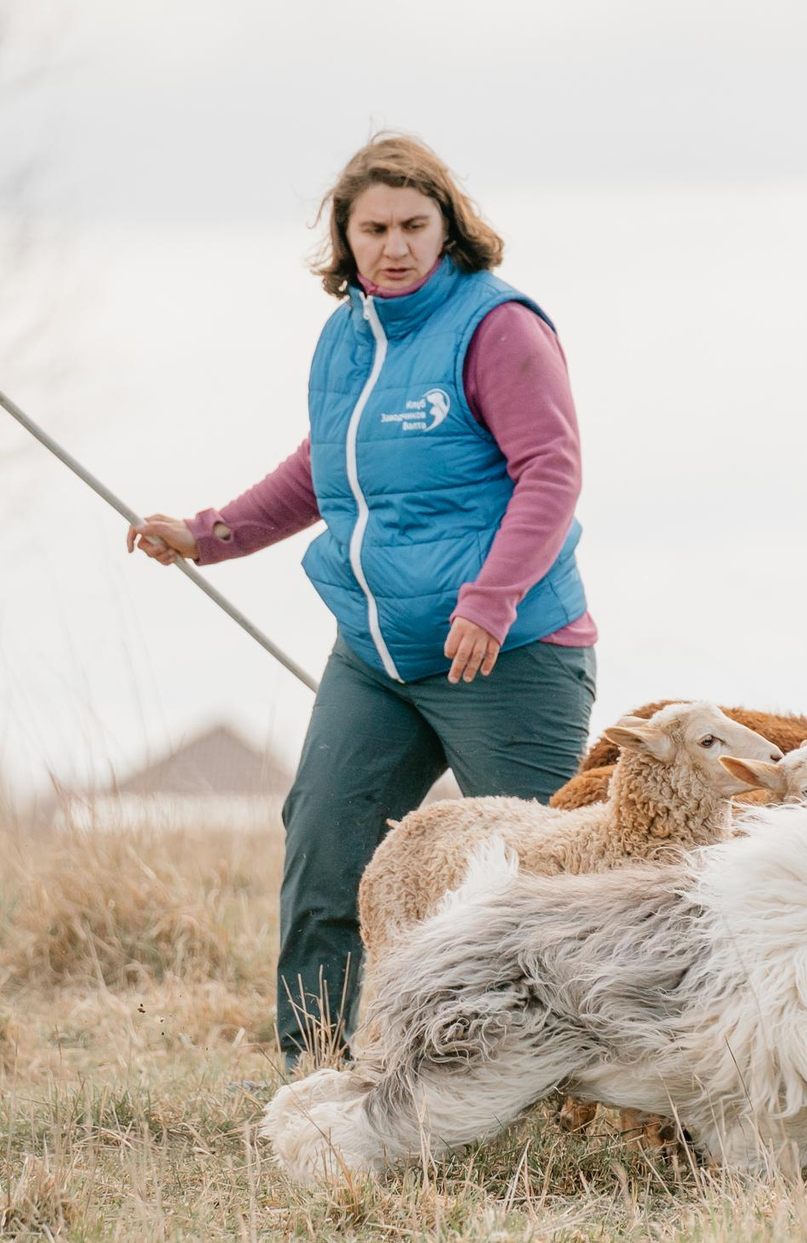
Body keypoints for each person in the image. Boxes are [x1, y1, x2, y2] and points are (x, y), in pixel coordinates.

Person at [126, 134, 598, 1070]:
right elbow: (325, 468)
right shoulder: (349, 338)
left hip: (508, 654)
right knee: (323, 843)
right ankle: (317, 1068)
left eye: (414, 226)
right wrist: (208, 535)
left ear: (448, 228)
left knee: (548, 883)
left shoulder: (498, 327)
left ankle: (575, 1079)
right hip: (377, 658)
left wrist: (490, 601)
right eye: (374, 228)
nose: (395, 246)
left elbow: (552, 472)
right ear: (344, 238)